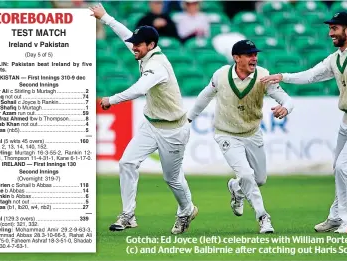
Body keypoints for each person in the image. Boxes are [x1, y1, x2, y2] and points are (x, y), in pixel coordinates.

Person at [260, 12, 347, 234]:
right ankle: (335, 216)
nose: (330, 33)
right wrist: (283, 76)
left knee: (343, 167)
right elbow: (311, 75)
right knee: (338, 168)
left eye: (335, 28)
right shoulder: (335, 58)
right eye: (330, 28)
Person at [89, 4, 198, 235]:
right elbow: (125, 35)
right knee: (127, 162)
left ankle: (186, 210)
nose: (134, 47)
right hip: (151, 124)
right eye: (134, 44)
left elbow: (139, 89)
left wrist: (111, 99)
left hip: (173, 129)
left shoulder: (157, 65)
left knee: (172, 179)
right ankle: (128, 215)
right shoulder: (143, 51)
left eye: (138, 44)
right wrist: (105, 17)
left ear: (151, 45)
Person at [187, 39, 295, 234]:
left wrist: (286, 107)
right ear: (236, 58)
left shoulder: (263, 76)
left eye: (255, 54)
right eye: (249, 54)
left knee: (259, 179)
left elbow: (286, 98)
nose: (254, 58)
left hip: (252, 133)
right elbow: (204, 96)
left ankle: (236, 188)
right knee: (246, 174)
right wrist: (188, 119)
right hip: (226, 133)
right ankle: (263, 217)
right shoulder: (221, 75)